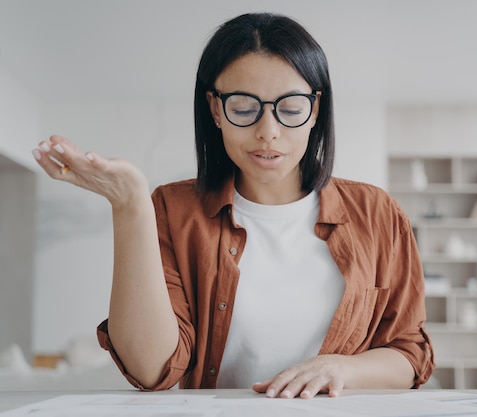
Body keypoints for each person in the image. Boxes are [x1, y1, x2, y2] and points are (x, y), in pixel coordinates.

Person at [31, 12, 434, 399]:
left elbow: (409, 353)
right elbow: (149, 369)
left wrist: (341, 369)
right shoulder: (173, 209)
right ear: (214, 109)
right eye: (243, 108)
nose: (268, 132)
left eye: (291, 109)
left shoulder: (378, 213)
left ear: (316, 110)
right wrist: (129, 202)